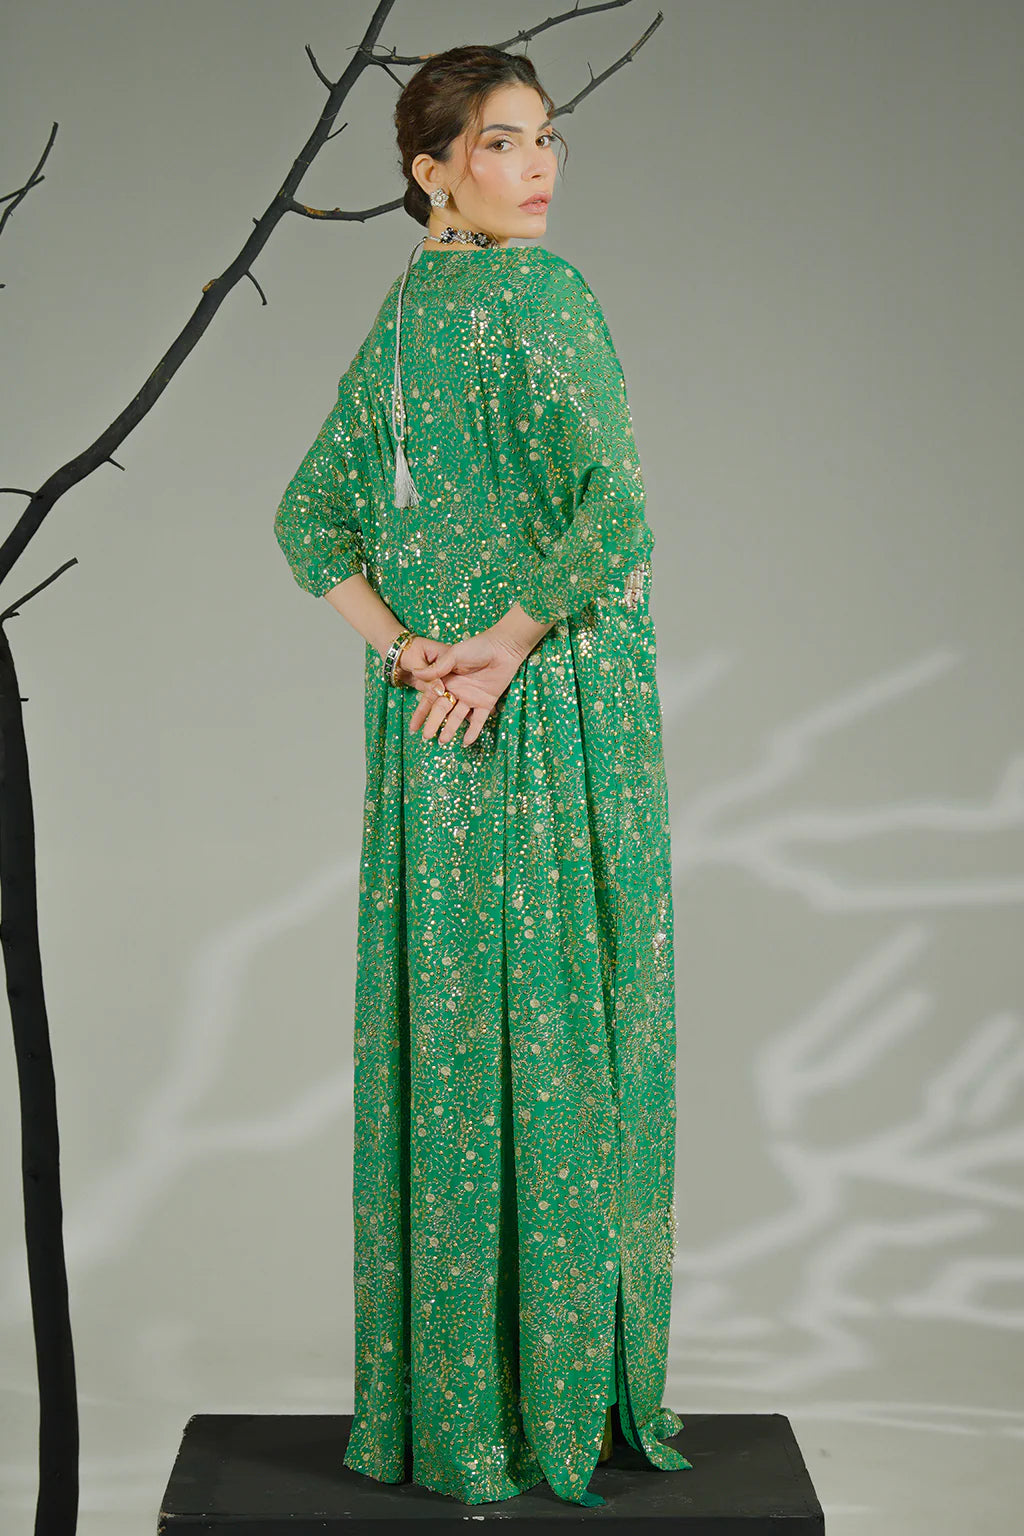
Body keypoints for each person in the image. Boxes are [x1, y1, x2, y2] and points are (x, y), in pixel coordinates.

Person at [273, 42, 691, 1511]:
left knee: (453, 1038)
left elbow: (309, 522)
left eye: (549, 138)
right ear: (430, 170)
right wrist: (502, 647)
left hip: (433, 730)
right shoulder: (543, 294)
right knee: (568, 1027)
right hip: (544, 704)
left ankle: (451, 1411)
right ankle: (557, 1401)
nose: (540, 166)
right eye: (504, 142)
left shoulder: (402, 317)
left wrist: (409, 656)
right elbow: (615, 512)